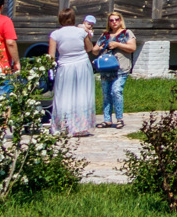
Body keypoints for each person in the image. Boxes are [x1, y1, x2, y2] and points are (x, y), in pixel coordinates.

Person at [47, 9, 95, 137]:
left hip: (65, 66)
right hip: (82, 65)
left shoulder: (55, 34)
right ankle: (81, 125)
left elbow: (51, 56)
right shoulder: (81, 32)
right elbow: (89, 48)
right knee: (82, 93)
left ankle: (63, 125)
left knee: (63, 95)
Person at [92, 11, 136, 127]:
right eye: (111, 20)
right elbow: (94, 50)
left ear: (121, 21)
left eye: (116, 19)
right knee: (106, 94)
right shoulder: (105, 35)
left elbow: (132, 47)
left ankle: (119, 118)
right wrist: (100, 48)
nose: (114, 22)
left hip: (121, 68)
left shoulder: (127, 33)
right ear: (109, 22)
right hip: (106, 69)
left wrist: (118, 45)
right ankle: (107, 119)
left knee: (116, 91)